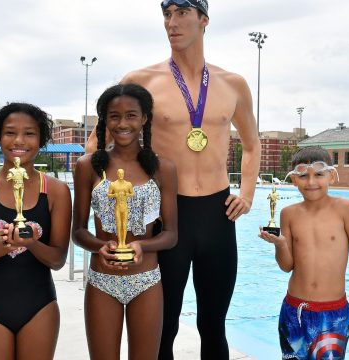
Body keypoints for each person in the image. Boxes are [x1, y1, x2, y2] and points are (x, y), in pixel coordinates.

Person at [86, 1, 261, 358]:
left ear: (203, 20)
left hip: (217, 213)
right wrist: (105, 204)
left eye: (182, 13)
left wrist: (247, 193)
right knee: (164, 326)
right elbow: (96, 143)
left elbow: (252, 144)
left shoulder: (233, 84)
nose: (172, 23)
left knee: (213, 325)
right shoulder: (142, 81)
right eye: (167, 15)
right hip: (167, 215)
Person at [0, 102, 72, 359]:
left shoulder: (56, 191)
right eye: (10, 132)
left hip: (40, 307)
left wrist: (31, 243)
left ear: (41, 140)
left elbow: (58, 260)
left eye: (29, 133)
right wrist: (4, 244)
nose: (19, 140)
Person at [72, 83, 178, 359]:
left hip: (146, 281)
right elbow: (79, 231)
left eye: (131, 115)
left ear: (144, 118)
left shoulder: (162, 168)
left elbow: (171, 234)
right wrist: (100, 247)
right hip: (102, 282)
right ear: (105, 120)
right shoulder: (88, 166)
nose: (123, 123)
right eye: (114, 116)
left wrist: (143, 246)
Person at [258, 146, 349, 360]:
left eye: (319, 174)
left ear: (331, 175)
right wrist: (280, 244)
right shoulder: (288, 214)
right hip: (293, 310)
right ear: (293, 179)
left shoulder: (344, 209)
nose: (311, 182)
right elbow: (286, 266)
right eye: (303, 176)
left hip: (333, 312)